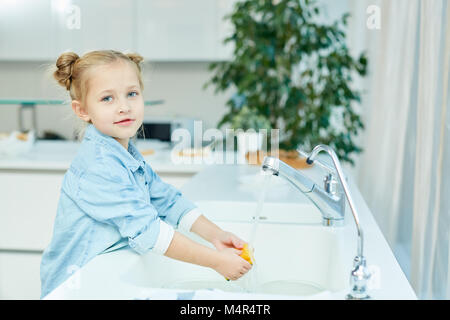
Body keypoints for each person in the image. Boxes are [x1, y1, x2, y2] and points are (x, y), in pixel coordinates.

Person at [40, 50, 252, 299]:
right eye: (107, 98)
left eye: (132, 94)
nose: (124, 107)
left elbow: (167, 201)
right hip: (75, 287)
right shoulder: (99, 166)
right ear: (82, 110)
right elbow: (148, 230)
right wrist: (216, 261)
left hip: (106, 274)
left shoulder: (124, 153)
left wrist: (217, 235)